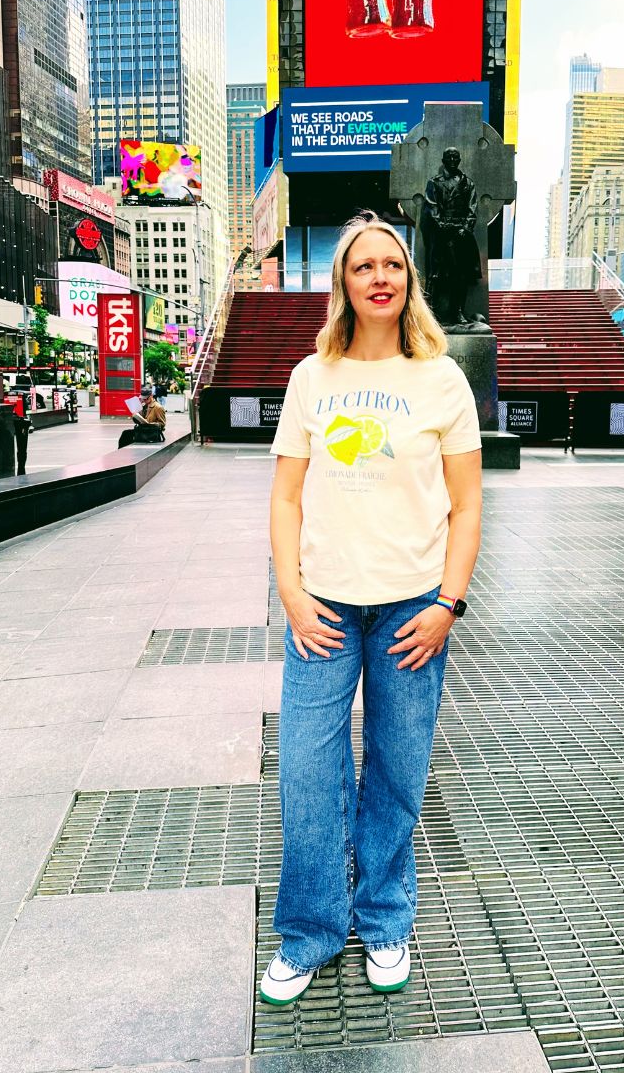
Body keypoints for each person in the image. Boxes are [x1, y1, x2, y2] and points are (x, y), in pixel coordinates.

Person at [262, 212, 482, 1007]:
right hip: (321, 604)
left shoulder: (441, 379)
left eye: (393, 264)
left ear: (408, 280)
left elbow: (466, 505)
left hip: (412, 608)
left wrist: (449, 604)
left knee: (396, 769)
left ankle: (384, 919)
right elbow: (286, 494)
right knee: (309, 771)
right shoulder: (310, 377)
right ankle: (312, 932)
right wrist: (290, 589)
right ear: (343, 284)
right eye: (364, 267)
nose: (380, 277)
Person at [420, 148, 482, 327]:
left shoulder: (467, 183)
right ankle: (430, 314)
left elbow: (472, 209)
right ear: (443, 160)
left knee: (460, 277)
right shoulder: (434, 183)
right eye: (449, 157)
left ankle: (458, 312)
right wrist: (442, 226)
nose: (453, 159)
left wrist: (465, 228)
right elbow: (431, 208)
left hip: (461, 236)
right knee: (437, 276)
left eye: (456, 157)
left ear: (460, 160)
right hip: (441, 236)